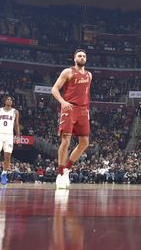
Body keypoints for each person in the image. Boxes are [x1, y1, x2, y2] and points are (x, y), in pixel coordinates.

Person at [51, 49, 92, 189]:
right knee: (66, 139)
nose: (82, 57)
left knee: (85, 142)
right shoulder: (67, 72)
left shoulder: (89, 75)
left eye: (84, 56)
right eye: (79, 56)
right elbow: (54, 89)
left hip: (83, 110)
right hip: (69, 108)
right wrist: (62, 102)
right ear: (75, 58)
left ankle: (67, 168)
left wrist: (87, 110)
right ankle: (60, 172)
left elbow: (86, 94)